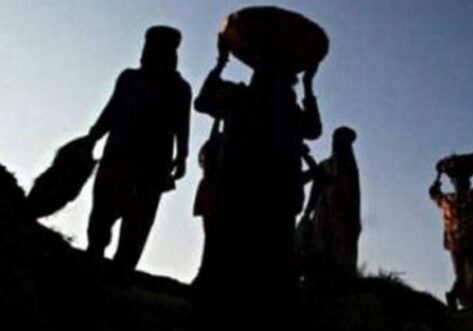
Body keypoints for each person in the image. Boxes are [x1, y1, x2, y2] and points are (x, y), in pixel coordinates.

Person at [193, 34, 322, 296]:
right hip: (242, 194)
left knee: (262, 270)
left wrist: (220, 64)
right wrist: (220, 63)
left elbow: (313, 129)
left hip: (268, 198)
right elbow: (202, 102)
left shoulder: (281, 109)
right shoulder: (242, 97)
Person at [85, 26, 191, 272]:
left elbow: (182, 125)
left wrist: (182, 156)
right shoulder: (130, 79)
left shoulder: (179, 88)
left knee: (138, 222)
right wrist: (93, 136)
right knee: (103, 212)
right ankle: (94, 256)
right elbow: (111, 111)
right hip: (119, 155)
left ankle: (122, 269)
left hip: (153, 165)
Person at [430, 162, 473, 311]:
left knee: (461, 274)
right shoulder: (472, 196)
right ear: (467, 183)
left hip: (454, 242)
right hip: (471, 240)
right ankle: (464, 302)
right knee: (470, 275)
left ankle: (462, 301)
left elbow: (433, 192)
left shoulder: (447, 200)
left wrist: (439, 175)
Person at [302, 126, 361, 277]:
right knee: (321, 251)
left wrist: (354, 221)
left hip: (343, 221)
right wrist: (307, 213)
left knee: (340, 258)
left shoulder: (350, 170)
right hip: (323, 218)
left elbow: (354, 199)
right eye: (339, 141)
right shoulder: (326, 166)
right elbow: (314, 187)